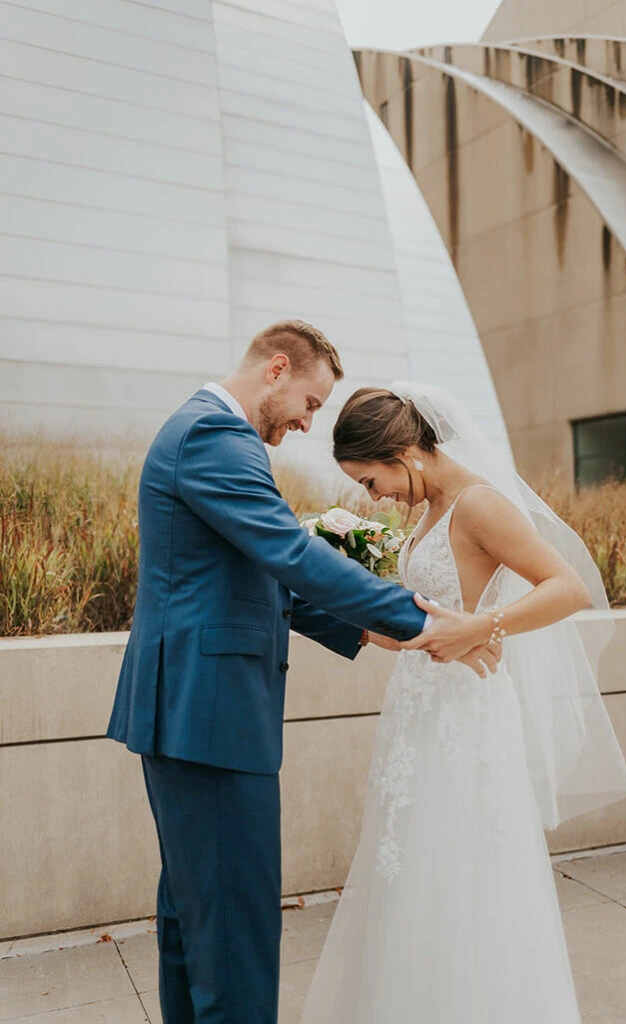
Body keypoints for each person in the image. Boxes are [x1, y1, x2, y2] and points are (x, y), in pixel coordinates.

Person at [106, 323, 499, 1024]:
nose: (308, 420)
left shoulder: (209, 436)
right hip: (210, 715)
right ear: (276, 370)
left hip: (190, 711)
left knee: (195, 919)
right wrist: (428, 623)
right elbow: (289, 554)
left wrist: (361, 627)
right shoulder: (212, 438)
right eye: (310, 402)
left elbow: (255, 575)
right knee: (235, 930)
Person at [301, 382, 626, 1024]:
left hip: (466, 716)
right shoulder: (429, 510)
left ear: (406, 451)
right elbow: (428, 619)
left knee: (464, 869)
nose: (375, 497)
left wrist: (485, 627)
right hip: (419, 709)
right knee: (411, 865)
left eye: (373, 481)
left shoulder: (479, 504)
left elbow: (567, 589)